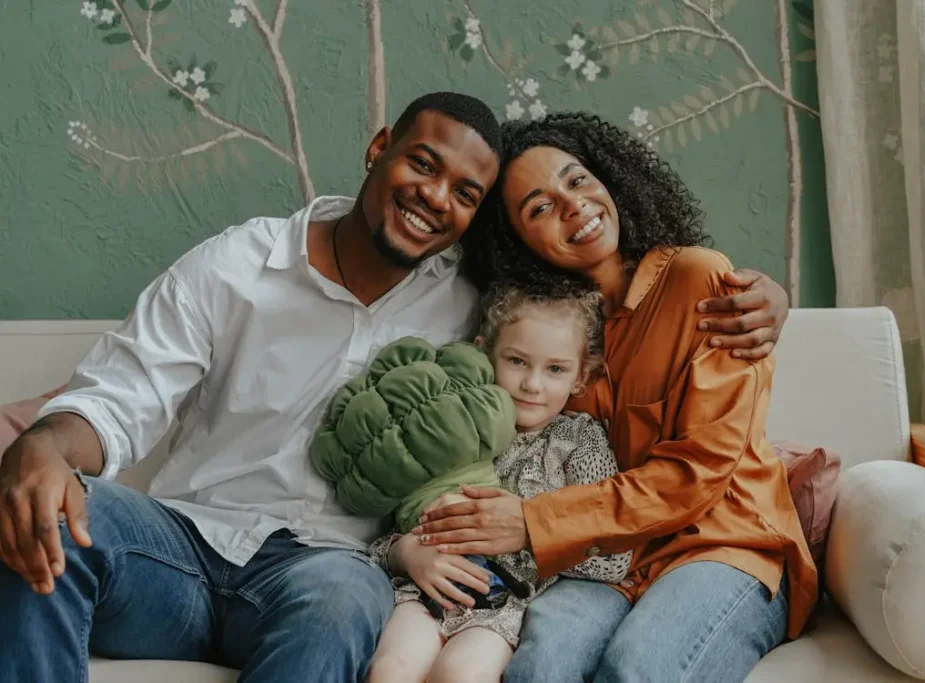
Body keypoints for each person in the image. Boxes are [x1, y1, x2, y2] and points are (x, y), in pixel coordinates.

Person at [0, 92, 786, 682]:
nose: (435, 198)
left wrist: (774, 300)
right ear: (381, 148)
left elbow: (590, 385)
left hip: (330, 564)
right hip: (187, 540)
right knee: (52, 506)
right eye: (421, 164)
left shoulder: (483, 308)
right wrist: (42, 440)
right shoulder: (237, 265)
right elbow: (123, 391)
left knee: (341, 602)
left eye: (466, 194)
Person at [415, 111, 819, 683]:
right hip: (601, 567)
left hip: (725, 547)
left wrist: (534, 521)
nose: (572, 204)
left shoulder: (699, 281)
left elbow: (698, 471)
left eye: (576, 180)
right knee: (537, 670)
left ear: (608, 179)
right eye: (539, 207)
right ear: (516, 241)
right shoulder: (545, 336)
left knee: (637, 671)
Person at [367, 285, 631, 683]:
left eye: (555, 369)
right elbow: (381, 536)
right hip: (423, 587)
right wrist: (404, 553)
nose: (533, 384)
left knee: (460, 674)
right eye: (517, 361)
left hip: (502, 607)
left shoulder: (580, 441)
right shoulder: (452, 427)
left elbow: (613, 559)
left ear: (582, 376)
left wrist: (532, 532)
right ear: (484, 354)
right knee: (392, 669)